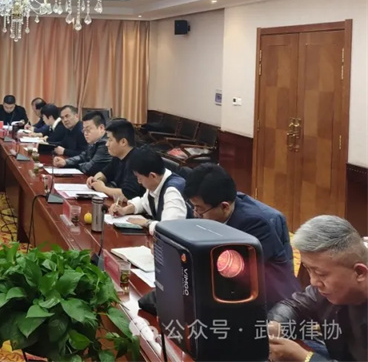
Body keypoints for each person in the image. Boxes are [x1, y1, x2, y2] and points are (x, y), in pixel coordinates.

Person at [184, 163, 300, 308]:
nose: (195, 214)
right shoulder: (212, 210)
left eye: (200, 209)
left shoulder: (254, 225)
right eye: (193, 207)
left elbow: (232, 274)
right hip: (233, 293)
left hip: (271, 303)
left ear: (224, 207)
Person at [267, 215, 367, 362]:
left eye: (321, 274)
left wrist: (305, 357)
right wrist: (276, 324)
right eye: (309, 270)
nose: (313, 282)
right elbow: (294, 306)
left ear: (359, 272)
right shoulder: (325, 291)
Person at [109, 148, 192, 234]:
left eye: (139, 178)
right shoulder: (157, 181)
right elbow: (145, 203)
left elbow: (169, 229)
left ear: (152, 176)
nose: (139, 182)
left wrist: (147, 223)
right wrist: (124, 210)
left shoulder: (172, 191)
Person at [86, 119, 145, 200]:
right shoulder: (118, 157)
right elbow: (103, 174)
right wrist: (95, 180)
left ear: (123, 142)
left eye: (110, 140)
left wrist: (103, 189)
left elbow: (128, 195)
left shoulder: (136, 160)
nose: (107, 144)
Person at [52, 111, 111, 176]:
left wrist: (71, 166)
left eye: (88, 130)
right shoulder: (93, 141)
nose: (85, 133)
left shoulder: (106, 144)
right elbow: (83, 157)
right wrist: (65, 162)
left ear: (101, 128)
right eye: (84, 130)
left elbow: (90, 168)